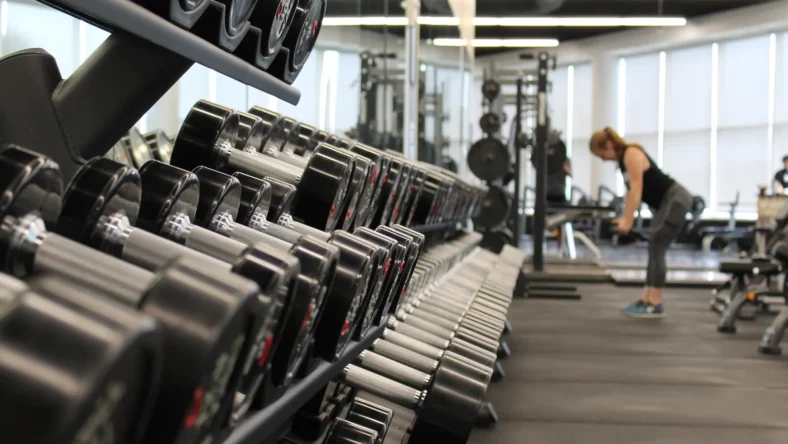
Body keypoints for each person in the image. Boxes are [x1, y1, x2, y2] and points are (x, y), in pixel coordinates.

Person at [589, 127, 693, 318]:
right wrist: (625, 218)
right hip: (664, 203)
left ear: (609, 145)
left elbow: (636, 190)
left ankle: (655, 302)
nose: (602, 159)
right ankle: (646, 298)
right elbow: (630, 193)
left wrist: (628, 221)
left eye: (601, 154)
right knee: (654, 244)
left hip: (675, 199)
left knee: (658, 244)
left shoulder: (631, 153)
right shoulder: (623, 162)